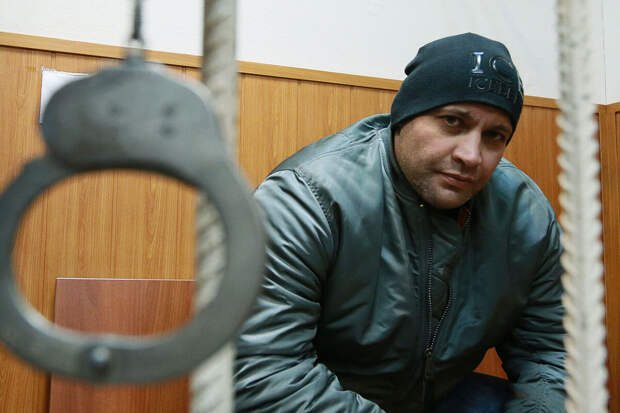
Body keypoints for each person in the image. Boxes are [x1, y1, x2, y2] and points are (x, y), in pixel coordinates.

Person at [234, 33, 566, 412]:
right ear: (404, 117)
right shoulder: (306, 199)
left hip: (438, 396)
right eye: (452, 121)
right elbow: (263, 374)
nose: (472, 155)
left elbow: (551, 352)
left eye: (494, 136)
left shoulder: (525, 213)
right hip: (327, 396)